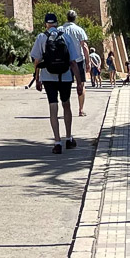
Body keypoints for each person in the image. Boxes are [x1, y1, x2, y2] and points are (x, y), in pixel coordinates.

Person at [31, 12, 77, 153]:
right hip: (65, 76)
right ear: (56, 23)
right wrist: (80, 82)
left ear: (46, 24)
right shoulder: (66, 37)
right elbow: (73, 61)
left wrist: (37, 78)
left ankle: (57, 142)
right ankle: (69, 138)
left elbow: (37, 60)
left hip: (48, 77)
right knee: (66, 105)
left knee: (53, 107)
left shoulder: (41, 37)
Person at [63, 10, 91, 117]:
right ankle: (81, 109)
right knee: (81, 85)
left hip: (65, 62)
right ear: (75, 18)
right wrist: (88, 62)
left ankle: (67, 109)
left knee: (66, 86)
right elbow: (84, 47)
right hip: (79, 60)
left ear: (67, 17)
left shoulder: (61, 30)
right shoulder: (79, 30)